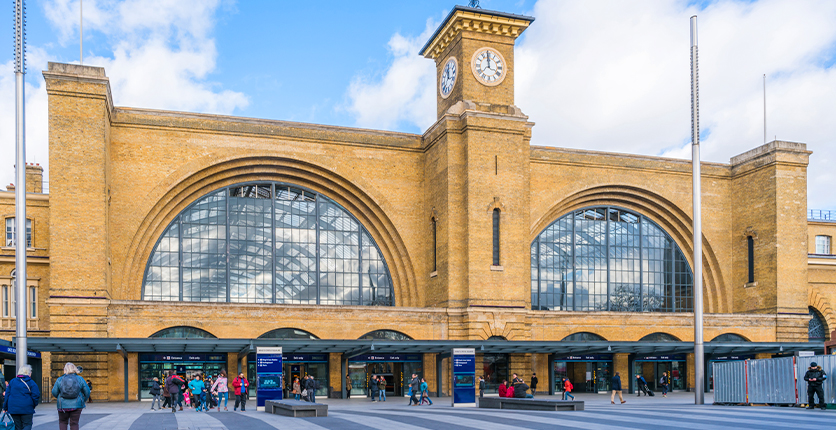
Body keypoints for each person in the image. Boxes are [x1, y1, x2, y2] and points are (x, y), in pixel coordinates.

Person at [51, 362, 91, 430]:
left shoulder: (60, 379)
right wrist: (82, 400)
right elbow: (87, 391)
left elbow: (54, 392)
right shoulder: (80, 379)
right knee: (74, 423)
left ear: (65, 370)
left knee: (63, 422)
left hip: (62, 405)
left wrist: (60, 397)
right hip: (77, 405)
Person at [3, 364, 41, 430]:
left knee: (18, 426)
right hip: (27, 408)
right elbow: (36, 395)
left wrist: (5, 407)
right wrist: (33, 404)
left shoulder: (12, 381)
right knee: (27, 424)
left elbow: (7, 395)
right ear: (28, 373)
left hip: (13, 408)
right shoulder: (31, 383)